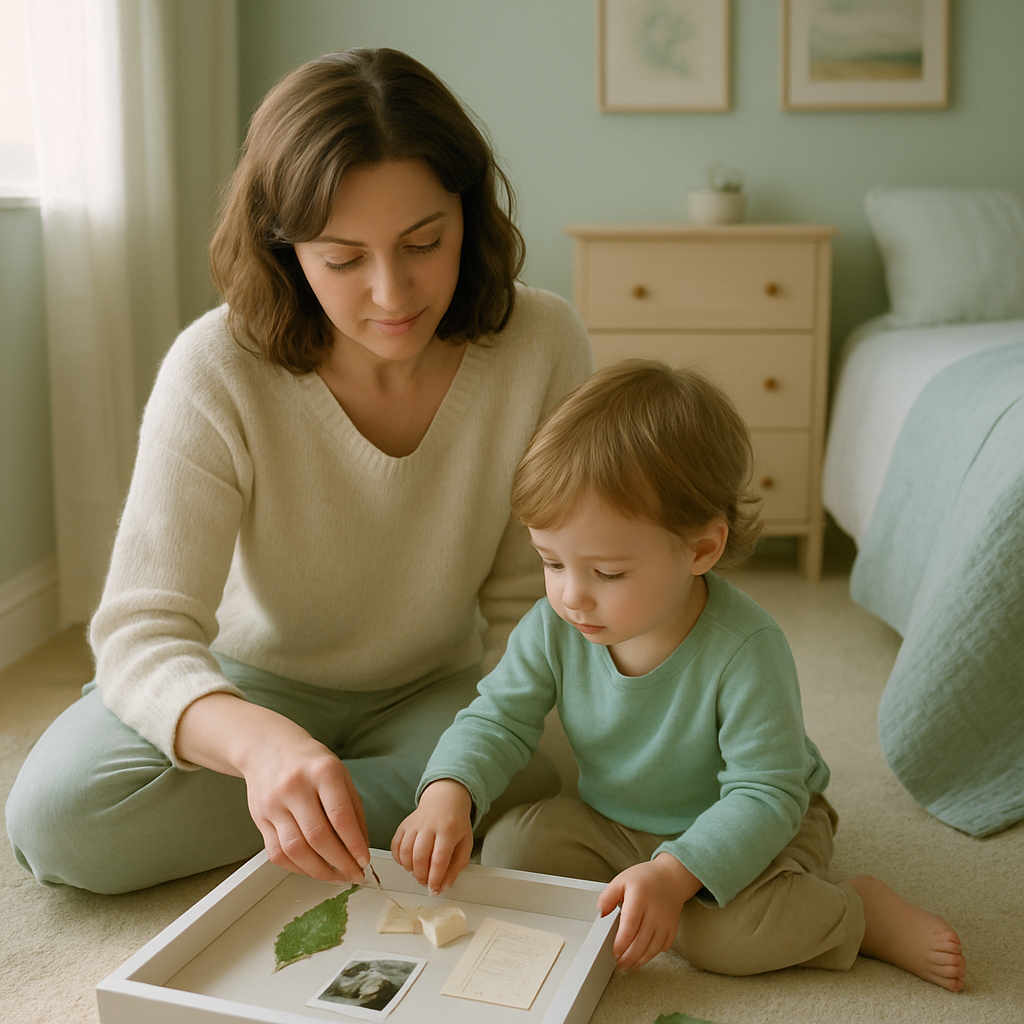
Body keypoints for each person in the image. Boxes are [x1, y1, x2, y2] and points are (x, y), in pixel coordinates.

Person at [5, 48, 592, 894]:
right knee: (61, 820)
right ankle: (353, 812)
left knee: (534, 766)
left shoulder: (542, 342)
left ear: (470, 214)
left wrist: (473, 761)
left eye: (424, 242)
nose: (392, 293)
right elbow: (142, 632)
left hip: (440, 693)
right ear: (285, 250)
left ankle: (329, 813)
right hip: (249, 684)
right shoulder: (215, 367)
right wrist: (262, 748)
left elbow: (529, 609)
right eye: (344, 259)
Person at [392, 360, 967, 991]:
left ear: (701, 549)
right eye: (551, 562)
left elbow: (765, 794)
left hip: (755, 822)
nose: (571, 596)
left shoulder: (746, 649)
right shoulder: (553, 627)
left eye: (607, 573)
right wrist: (448, 791)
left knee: (720, 935)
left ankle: (858, 912)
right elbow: (497, 719)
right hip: (615, 821)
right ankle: (652, 885)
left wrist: (675, 875)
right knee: (510, 852)